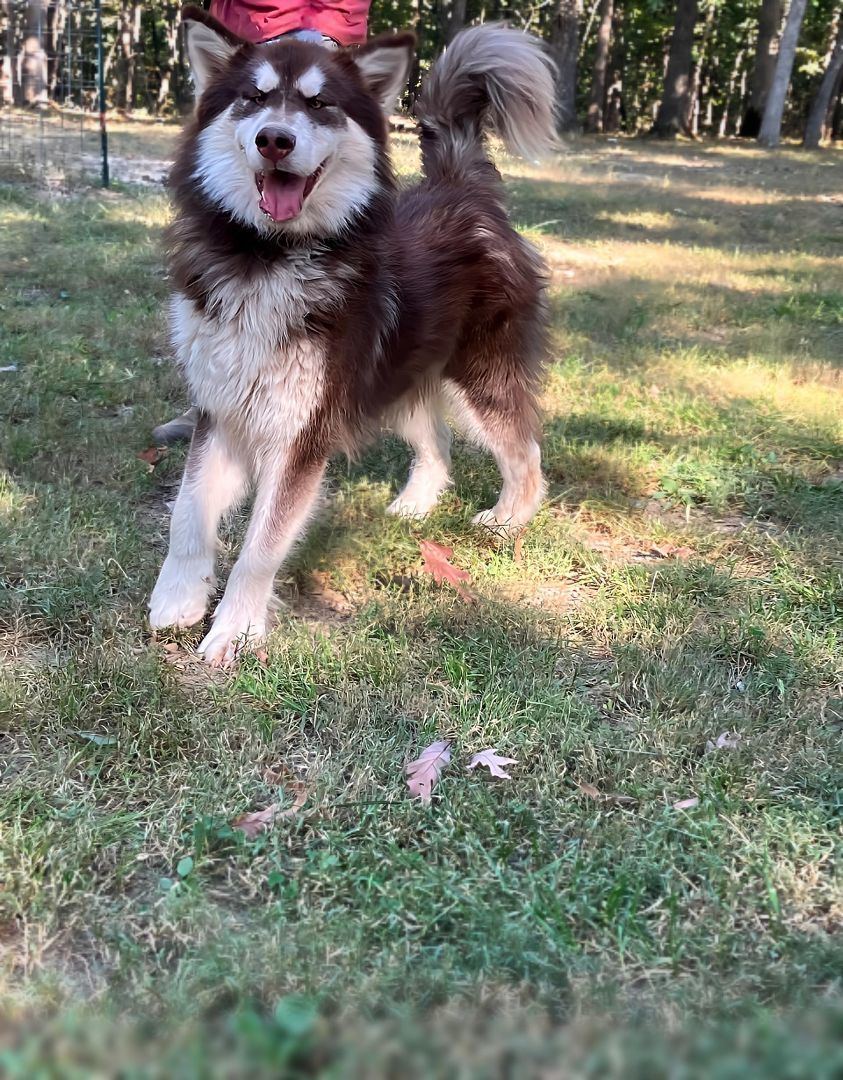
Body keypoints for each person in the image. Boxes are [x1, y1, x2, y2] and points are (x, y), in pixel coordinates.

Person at [152, 0, 372, 445]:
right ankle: (215, 402)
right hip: (238, 33)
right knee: (219, 247)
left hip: (313, 32)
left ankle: (304, 402)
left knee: (313, 279)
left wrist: (331, 29)